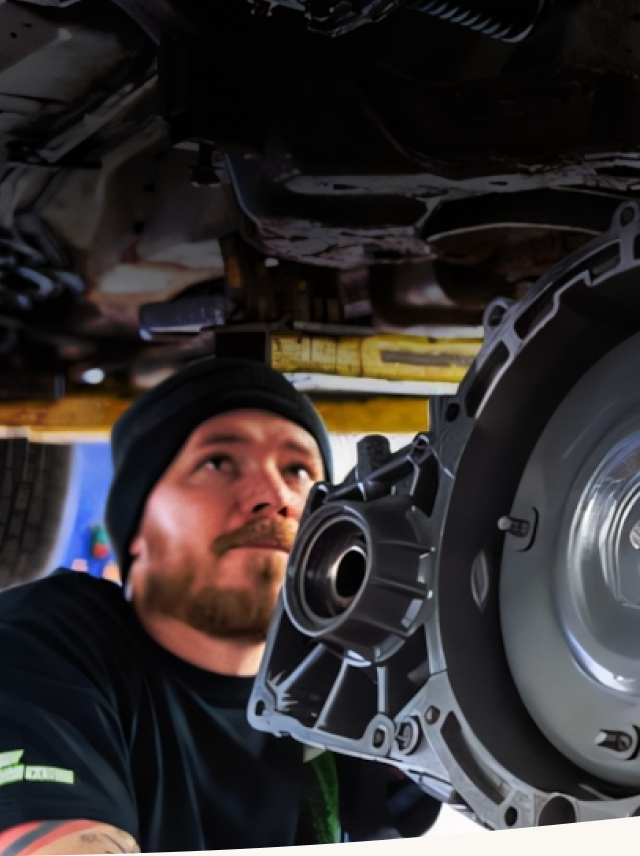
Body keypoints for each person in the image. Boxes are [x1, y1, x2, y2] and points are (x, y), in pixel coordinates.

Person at [0, 357, 439, 854]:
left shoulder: (355, 679)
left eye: (297, 469)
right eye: (218, 462)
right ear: (137, 528)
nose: (275, 495)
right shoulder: (42, 645)